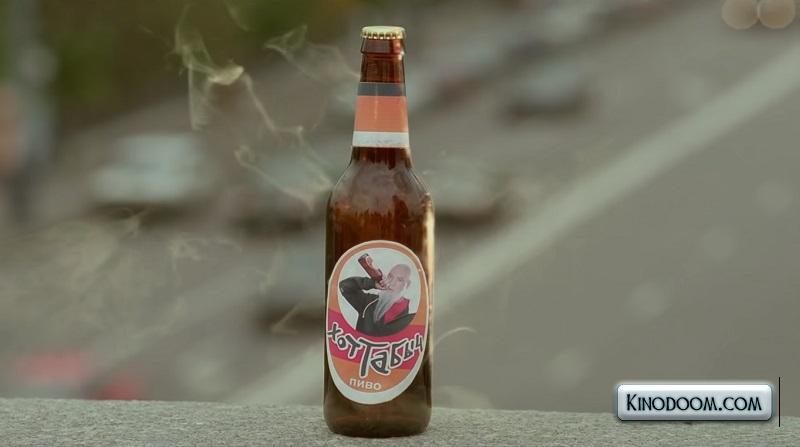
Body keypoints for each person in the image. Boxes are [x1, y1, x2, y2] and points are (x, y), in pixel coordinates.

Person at [338, 264, 415, 337]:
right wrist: (372, 283)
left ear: (407, 284)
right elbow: (344, 286)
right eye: (390, 277)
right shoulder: (368, 302)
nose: (392, 283)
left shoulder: (412, 315)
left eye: (400, 280)